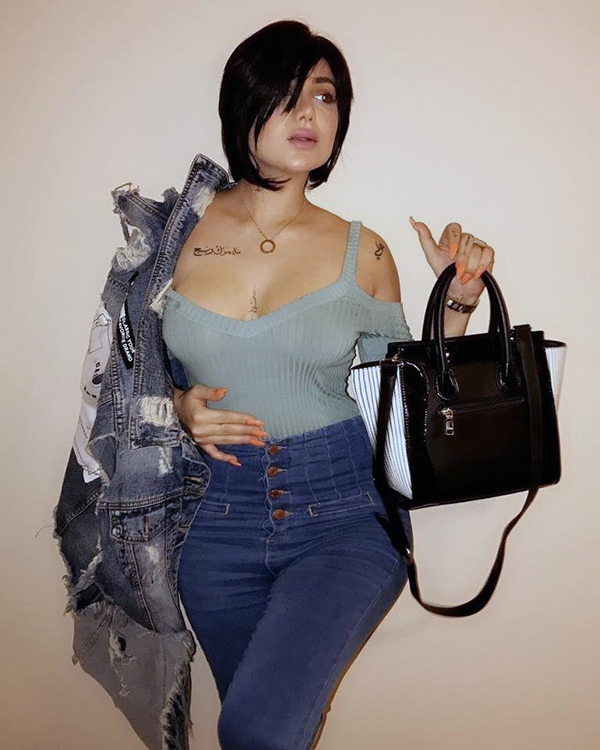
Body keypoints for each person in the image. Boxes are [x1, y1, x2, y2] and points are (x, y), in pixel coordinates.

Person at [158, 19, 494, 750]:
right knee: (262, 732)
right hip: (216, 523)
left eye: (324, 95)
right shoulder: (172, 234)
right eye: (286, 93)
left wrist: (457, 297)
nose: (309, 112)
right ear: (241, 104)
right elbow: (127, 378)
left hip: (341, 515)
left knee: (255, 728)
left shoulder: (363, 253)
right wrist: (178, 407)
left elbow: (404, 400)